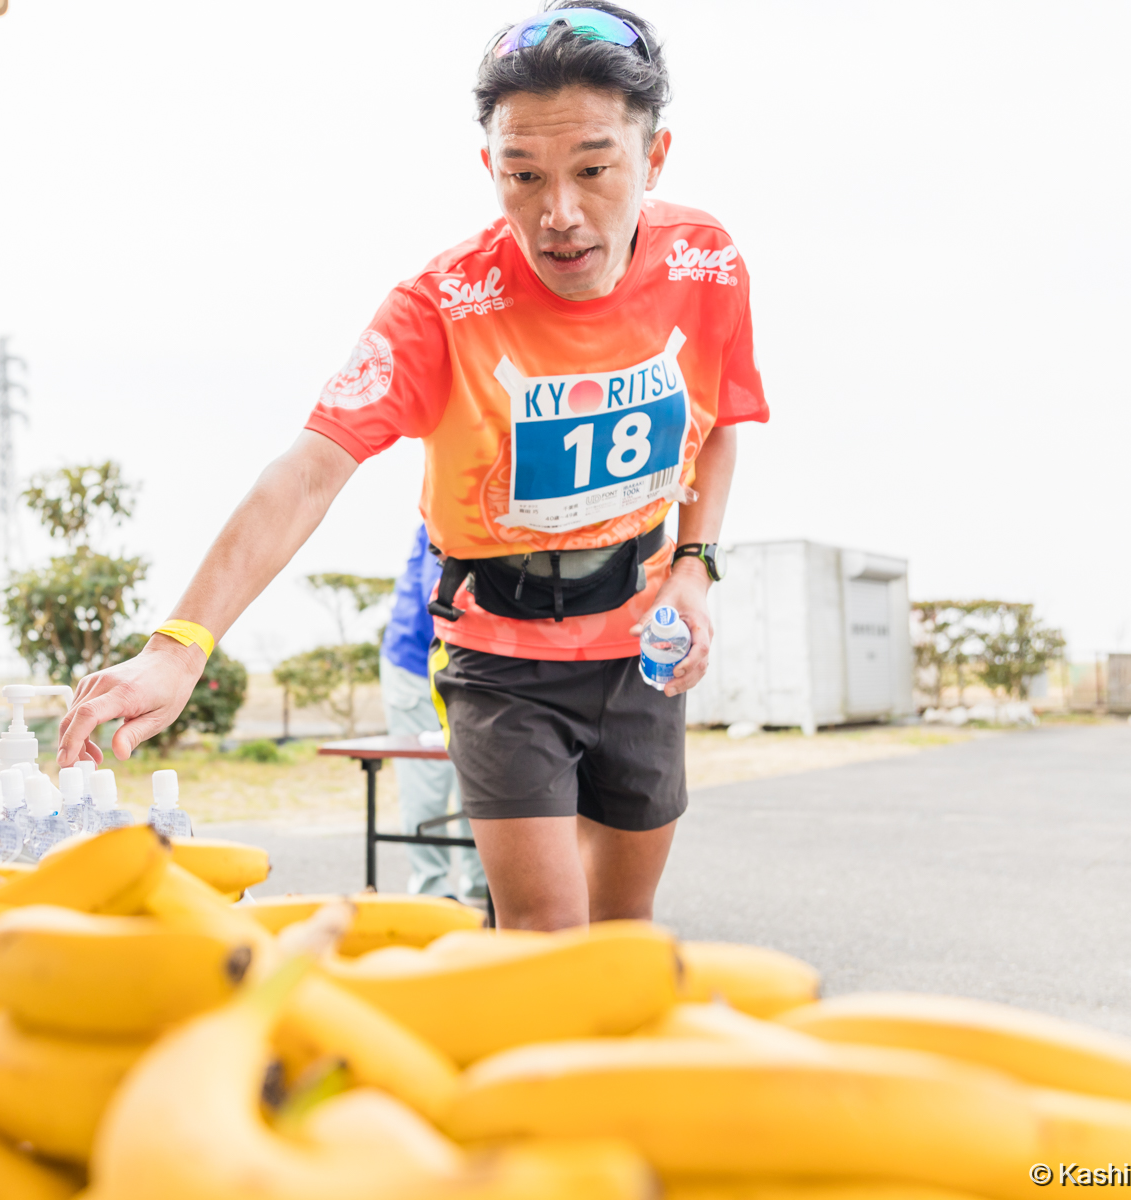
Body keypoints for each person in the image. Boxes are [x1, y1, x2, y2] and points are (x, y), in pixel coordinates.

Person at [59, 1, 767, 930]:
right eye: (523, 175)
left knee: (623, 927)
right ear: (490, 168)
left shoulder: (707, 262)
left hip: (640, 639)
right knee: (547, 937)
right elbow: (309, 470)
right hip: (499, 653)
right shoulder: (441, 306)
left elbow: (718, 424)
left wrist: (693, 569)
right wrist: (178, 646)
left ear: (654, 157)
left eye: (595, 170)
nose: (558, 214)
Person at [380, 524, 487, 904]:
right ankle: (432, 895)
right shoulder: (447, 515)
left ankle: (481, 894)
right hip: (414, 663)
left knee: (481, 783)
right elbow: (444, 593)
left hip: (475, 665)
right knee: (426, 787)